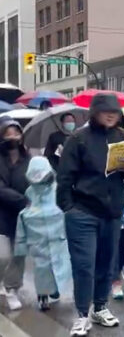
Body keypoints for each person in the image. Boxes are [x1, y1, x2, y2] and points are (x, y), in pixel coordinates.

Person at [57, 93, 124, 336]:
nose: (111, 114)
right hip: (83, 212)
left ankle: (100, 307)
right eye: (105, 111)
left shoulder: (122, 137)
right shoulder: (78, 139)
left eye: (115, 111)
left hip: (111, 213)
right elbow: (64, 177)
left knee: (107, 263)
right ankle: (81, 314)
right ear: (94, 112)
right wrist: (69, 208)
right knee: (84, 266)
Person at [15, 156, 71, 311]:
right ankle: (42, 295)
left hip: (56, 233)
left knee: (59, 263)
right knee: (42, 267)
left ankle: (54, 289)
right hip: (37, 236)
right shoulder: (29, 192)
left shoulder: (56, 188)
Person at [0, 119, 30, 311]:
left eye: (16, 133)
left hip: (23, 216)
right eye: (7, 134)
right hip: (1, 214)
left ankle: (12, 289)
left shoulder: (29, 159)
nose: (12, 137)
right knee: (2, 256)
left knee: (19, 255)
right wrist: (23, 199)